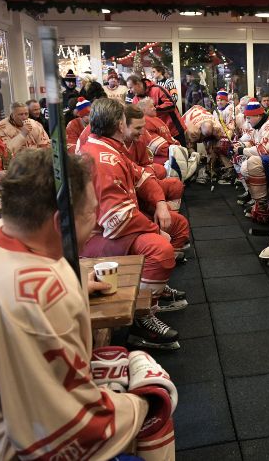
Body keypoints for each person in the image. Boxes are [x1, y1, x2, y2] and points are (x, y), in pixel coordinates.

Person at [0, 148, 177, 460]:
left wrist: (73, 285)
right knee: (155, 402)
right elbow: (66, 435)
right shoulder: (36, 299)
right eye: (92, 212)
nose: (97, 221)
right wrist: (144, 403)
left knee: (118, 363)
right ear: (61, 222)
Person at [78, 98, 189, 350]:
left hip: (112, 226)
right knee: (160, 248)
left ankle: (152, 293)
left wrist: (160, 203)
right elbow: (117, 217)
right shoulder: (102, 157)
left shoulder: (107, 147)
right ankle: (140, 317)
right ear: (119, 123)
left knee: (174, 226)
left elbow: (144, 175)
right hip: (97, 236)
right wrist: (155, 229)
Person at [122, 104, 184, 203]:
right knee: (177, 219)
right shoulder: (111, 144)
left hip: (141, 179)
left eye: (143, 127)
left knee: (169, 178)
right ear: (122, 126)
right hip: (128, 189)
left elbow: (146, 165)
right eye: (138, 128)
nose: (142, 132)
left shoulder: (142, 138)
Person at [236, 99, 269, 214]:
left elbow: (264, 150)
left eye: (249, 117)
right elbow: (253, 142)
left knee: (246, 167)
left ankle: (262, 202)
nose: (248, 121)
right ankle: (253, 195)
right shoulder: (259, 124)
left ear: (258, 115)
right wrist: (240, 145)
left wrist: (242, 150)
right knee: (240, 159)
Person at [127, 74, 186, 146]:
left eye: (131, 87)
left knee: (181, 154)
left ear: (138, 84)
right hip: (157, 134)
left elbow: (171, 104)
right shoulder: (135, 100)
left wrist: (154, 110)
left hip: (174, 130)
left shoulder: (157, 89)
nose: (130, 91)